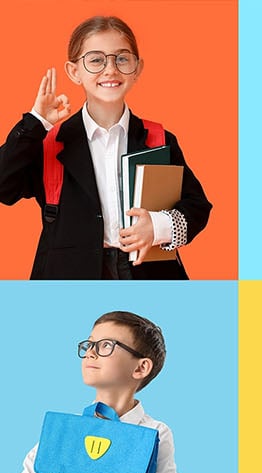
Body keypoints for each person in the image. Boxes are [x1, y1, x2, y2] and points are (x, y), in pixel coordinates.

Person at [0, 15, 211, 279]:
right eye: (96, 60)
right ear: (74, 72)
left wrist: (157, 227)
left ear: (137, 69)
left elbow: (198, 206)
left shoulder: (159, 138)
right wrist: (35, 122)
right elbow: (3, 187)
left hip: (148, 274)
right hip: (68, 276)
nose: (110, 69)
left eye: (122, 58)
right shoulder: (48, 142)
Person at [3, 311, 181, 473]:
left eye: (106, 345)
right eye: (89, 344)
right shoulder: (65, 430)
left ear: (141, 367)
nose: (91, 352)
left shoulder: (154, 432)